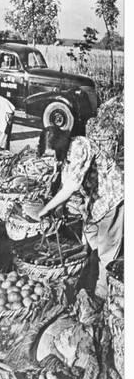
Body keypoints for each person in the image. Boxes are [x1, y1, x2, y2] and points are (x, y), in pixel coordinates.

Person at [36, 126, 124, 300]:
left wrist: (45, 209)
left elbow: (71, 186)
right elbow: (65, 182)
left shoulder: (78, 148)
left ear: (61, 145)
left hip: (111, 196)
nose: (52, 158)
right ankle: (90, 272)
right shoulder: (65, 155)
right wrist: (59, 206)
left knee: (107, 247)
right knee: (91, 237)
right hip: (94, 199)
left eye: (53, 153)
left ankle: (102, 294)